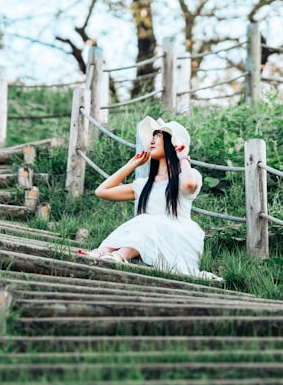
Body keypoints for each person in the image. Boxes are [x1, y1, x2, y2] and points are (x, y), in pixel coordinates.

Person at [79, 116, 221, 281]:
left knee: (146, 219)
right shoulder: (143, 185)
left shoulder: (188, 175)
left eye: (158, 136)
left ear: (172, 143)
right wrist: (131, 165)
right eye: (153, 136)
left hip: (179, 241)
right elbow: (102, 191)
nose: (152, 140)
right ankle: (102, 252)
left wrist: (183, 157)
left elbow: (189, 185)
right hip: (151, 238)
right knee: (144, 220)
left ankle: (119, 255)